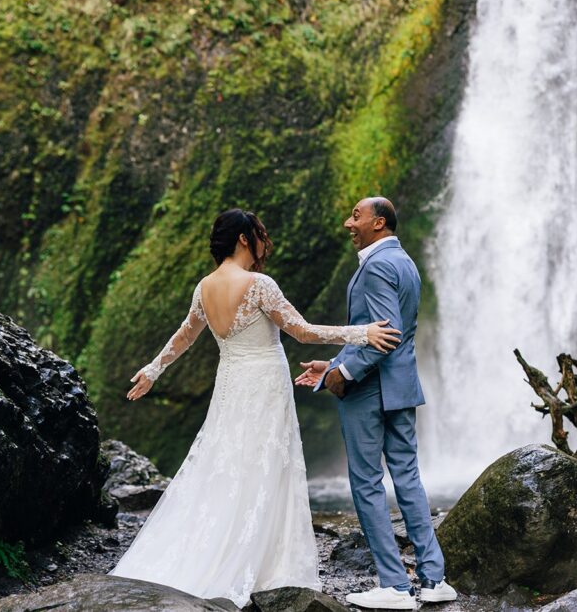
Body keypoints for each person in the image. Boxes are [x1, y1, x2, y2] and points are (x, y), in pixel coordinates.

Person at [108, 208, 402, 608]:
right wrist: (363, 334)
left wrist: (154, 369)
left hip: (231, 386)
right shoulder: (258, 284)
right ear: (244, 238)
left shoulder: (204, 287)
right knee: (266, 466)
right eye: (261, 233)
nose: (266, 241)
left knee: (226, 463)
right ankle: (265, 565)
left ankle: (214, 551)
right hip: (264, 385)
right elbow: (303, 331)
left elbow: (185, 336)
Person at [295, 196, 457, 610]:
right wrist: (331, 361)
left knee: (366, 483)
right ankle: (433, 578)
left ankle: (395, 586)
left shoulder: (378, 264)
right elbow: (376, 335)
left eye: (356, 216)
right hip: (400, 387)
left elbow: (386, 335)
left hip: (369, 390)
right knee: (407, 478)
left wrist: (341, 375)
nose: (349, 223)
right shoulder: (405, 262)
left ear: (379, 222)